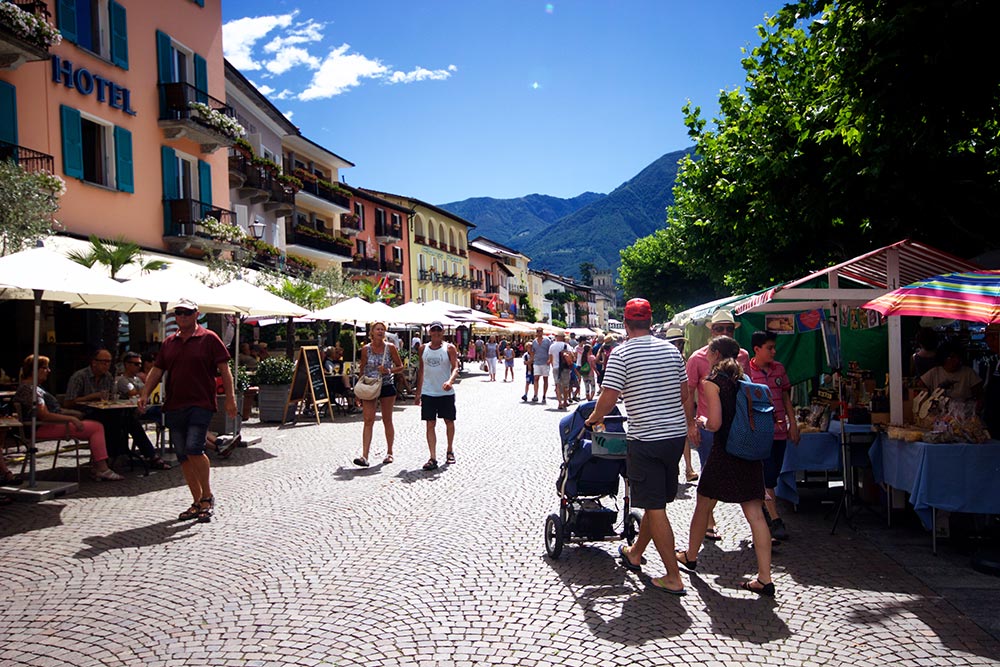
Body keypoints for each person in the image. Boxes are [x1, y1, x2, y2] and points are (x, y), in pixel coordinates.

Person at [585, 298, 695, 595]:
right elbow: (684, 394)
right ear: (650, 320)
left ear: (625, 321)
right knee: (655, 501)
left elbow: (608, 398)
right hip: (674, 438)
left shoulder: (621, 354)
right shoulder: (672, 351)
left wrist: (592, 419)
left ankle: (672, 576)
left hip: (645, 438)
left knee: (655, 506)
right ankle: (635, 553)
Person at [675, 335, 775, 597]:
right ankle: (765, 577)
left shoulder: (713, 382)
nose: (706, 354)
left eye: (709, 350)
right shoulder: (746, 381)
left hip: (725, 452)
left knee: (703, 503)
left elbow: (716, 424)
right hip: (749, 453)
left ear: (716, 354)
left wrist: (702, 422)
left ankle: (690, 555)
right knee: (755, 514)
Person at [138, 299, 237, 524]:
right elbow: (157, 370)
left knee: (194, 448)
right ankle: (197, 500)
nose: (182, 316)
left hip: (201, 403)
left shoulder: (209, 338)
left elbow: (224, 370)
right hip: (175, 404)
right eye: (179, 313)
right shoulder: (169, 343)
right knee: (183, 455)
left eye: (187, 313)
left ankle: (208, 496)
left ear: (196, 314)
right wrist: (144, 393)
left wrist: (230, 398)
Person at [687, 310, 750, 542]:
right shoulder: (697, 358)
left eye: (729, 329)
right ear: (711, 331)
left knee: (741, 474)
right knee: (709, 474)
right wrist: (691, 425)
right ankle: (709, 522)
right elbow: (689, 393)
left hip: (737, 427)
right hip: (710, 427)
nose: (724, 332)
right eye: (719, 329)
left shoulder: (742, 355)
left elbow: (748, 391)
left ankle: (756, 523)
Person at [14, 355, 123, 481]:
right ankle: (102, 468)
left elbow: (52, 410)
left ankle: (98, 464)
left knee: (96, 422)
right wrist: (71, 419)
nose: (49, 371)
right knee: (97, 427)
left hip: (45, 424)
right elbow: (44, 414)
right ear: (35, 370)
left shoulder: (33, 388)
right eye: (45, 368)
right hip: (41, 427)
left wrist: (74, 414)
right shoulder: (31, 390)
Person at [748, 330, 799, 541]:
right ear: (757, 349)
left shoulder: (778, 369)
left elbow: (785, 396)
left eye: (774, 347)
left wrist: (792, 423)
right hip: (760, 434)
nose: (774, 351)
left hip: (779, 433)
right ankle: (775, 520)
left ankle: (765, 512)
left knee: (773, 474)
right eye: (769, 348)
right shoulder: (747, 373)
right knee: (767, 476)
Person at [63, 348, 132, 461]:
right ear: (94, 362)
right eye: (104, 362)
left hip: (103, 410)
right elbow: (68, 403)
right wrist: (91, 396)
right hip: (82, 412)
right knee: (114, 421)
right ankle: (108, 457)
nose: (107, 365)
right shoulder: (79, 377)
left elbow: (110, 396)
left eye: (109, 362)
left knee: (126, 418)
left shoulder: (108, 377)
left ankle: (138, 453)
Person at [353, 321, 403, 467]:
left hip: (386, 385)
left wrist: (388, 371)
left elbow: (400, 367)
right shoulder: (365, 349)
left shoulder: (390, 348)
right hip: (369, 385)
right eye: (377, 329)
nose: (380, 332)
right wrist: (358, 390)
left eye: (382, 329)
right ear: (372, 332)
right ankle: (364, 456)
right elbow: (362, 368)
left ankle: (389, 452)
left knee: (387, 419)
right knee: (368, 420)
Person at [115, 351, 171, 470]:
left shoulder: (137, 379)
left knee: (169, 412)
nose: (138, 367)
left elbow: (146, 391)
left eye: (139, 364)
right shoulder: (123, 380)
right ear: (126, 364)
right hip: (133, 411)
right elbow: (133, 392)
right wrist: (147, 390)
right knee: (167, 414)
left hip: (144, 409)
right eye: (135, 364)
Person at [415, 320, 459, 471]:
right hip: (428, 392)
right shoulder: (423, 349)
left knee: (449, 421)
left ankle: (449, 450)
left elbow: (455, 367)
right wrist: (418, 392)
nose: (436, 333)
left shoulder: (449, 348)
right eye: (433, 331)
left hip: (445, 392)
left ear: (443, 333)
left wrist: (450, 381)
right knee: (430, 423)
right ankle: (432, 457)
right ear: (429, 333)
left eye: (438, 331)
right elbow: (421, 371)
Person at [664, 326, 697, 483]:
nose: (678, 346)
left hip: (681, 402)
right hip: (668, 403)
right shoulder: (664, 359)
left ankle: (689, 468)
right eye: (675, 343)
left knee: (683, 436)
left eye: (680, 343)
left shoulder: (684, 359)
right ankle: (673, 467)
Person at [919, 342, 983, 405]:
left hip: (963, 412)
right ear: (943, 358)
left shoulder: (968, 372)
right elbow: (919, 387)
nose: (956, 361)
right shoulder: (934, 372)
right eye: (952, 357)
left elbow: (980, 396)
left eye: (958, 357)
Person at [548, 331, 574, 410]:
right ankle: (565, 401)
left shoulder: (552, 346)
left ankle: (560, 403)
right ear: (563, 337)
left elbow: (550, 359)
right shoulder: (566, 345)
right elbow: (572, 356)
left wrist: (553, 366)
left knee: (557, 385)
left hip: (556, 367)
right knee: (565, 386)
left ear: (556, 337)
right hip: (565, 368)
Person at [528, 327, 551, 403]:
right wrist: (530, 360)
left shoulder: (547, 341)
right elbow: (533, 352)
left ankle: (544, 395)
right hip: (537, 362)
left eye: (540, 331)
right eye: (538, 331)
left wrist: (550, 359)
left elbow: (550, 351)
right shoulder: (534, 342)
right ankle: (535, 395)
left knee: (545, 379)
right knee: (536, 378)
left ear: (542, 332)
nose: (539, 332)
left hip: (545, 362)